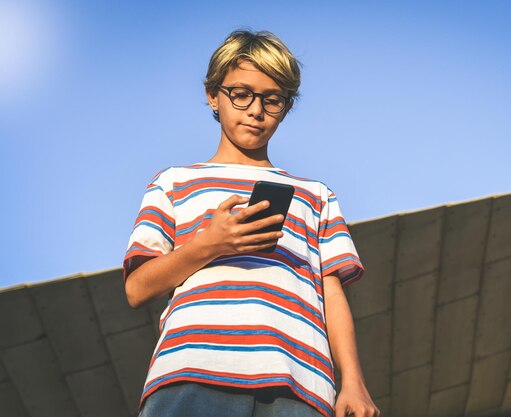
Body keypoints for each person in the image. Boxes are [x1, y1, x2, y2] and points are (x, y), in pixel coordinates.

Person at [123, 29, 381, 417]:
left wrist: (354, 384)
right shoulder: (173, 182)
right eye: (240, 94)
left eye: (272, 99)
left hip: (300, 387)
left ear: (286, 105)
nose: (255, 110)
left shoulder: (316, 195)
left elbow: (331, 293)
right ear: (213, 94)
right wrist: (210, 244)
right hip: (192, 374)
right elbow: (137, 289)